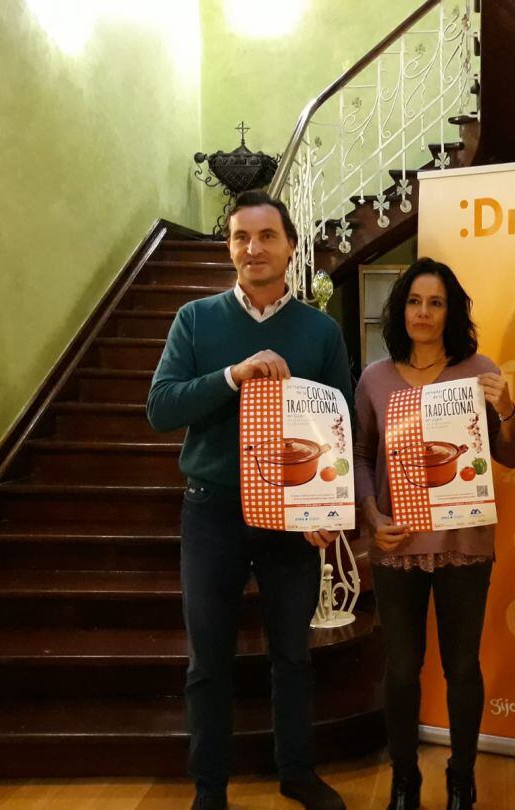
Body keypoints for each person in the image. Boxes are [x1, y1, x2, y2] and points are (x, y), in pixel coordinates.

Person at [147, 189, 350, 810]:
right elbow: (161, 407)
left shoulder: (320, 330)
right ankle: (209, 788)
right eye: (241, 237)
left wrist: (329, 509)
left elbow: (340, 427)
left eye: (266, 236)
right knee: (208, 659)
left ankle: (297, 772)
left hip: (293, 516)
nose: (253, 248)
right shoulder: (195, 320)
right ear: (229, 247)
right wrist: (231, 376)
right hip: (212, 511)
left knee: (292, 654)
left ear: (291, 247)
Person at [353, 258, 515, 810]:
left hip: (463, 545)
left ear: (451, 313)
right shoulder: (374, 378)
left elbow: (510, 455)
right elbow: (360, 455)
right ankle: (404, 779)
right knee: (402, 669)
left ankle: (461, 778)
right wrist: (372, 517)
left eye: (435, 303)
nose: (423, 313)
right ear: (399, 309)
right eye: (414, 301)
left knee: (462, 668)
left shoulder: (479, 371)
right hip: (397, 545)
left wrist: (507, 410)